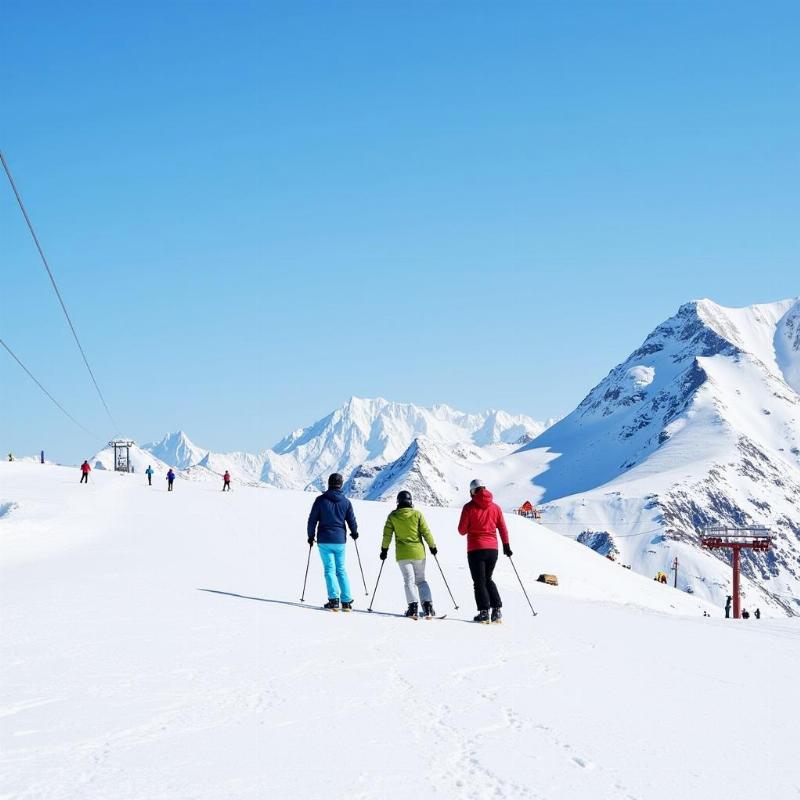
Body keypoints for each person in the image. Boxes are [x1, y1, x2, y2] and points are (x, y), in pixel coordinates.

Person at [458, 478, 511, 624]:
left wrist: (472, 527)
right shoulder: (496, 507)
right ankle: (497, 611)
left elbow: (461, 530)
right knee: (488, 579)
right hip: (493, 550)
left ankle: (484, 612)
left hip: (476, 549)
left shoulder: (468, 507)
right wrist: (506, 546)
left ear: (473, 491)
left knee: (479, 582)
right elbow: (502, 528)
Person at [381, 490, 438, 619]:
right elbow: (426, 532)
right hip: (418, 554)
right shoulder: (417, 515)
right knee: (421, 581)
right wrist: (432, 546)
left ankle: (413, 608)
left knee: (409, 581)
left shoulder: (393, 516)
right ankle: (428, 607)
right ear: (410, 501)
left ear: (398, 502)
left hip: (403, 555)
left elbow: (387, 535)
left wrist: (384, 550)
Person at [306, 473, 358, 611]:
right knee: (340, 569)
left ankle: (334, 600)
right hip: (340, 540)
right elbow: (351, 520)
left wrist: (310, 536)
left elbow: (312, 520)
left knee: (329, 569)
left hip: (324, 540)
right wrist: (354, 532)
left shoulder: (320, 500)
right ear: (341, 484)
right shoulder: (346, 502)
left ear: (329, 483)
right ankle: (346, 602)